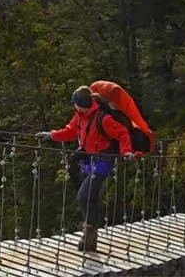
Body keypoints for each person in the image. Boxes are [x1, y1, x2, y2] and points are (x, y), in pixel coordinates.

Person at [36, 85, 134, 252]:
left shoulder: (103, 119)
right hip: (88, 161)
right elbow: (70, 131)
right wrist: (51, 135)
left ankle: (88, 234)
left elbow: (122, 133)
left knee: (83, 196)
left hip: (103, 161)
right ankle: (91, 239)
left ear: (79, 104)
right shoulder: (80, 116)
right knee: (91, 198)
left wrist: (126, 151)